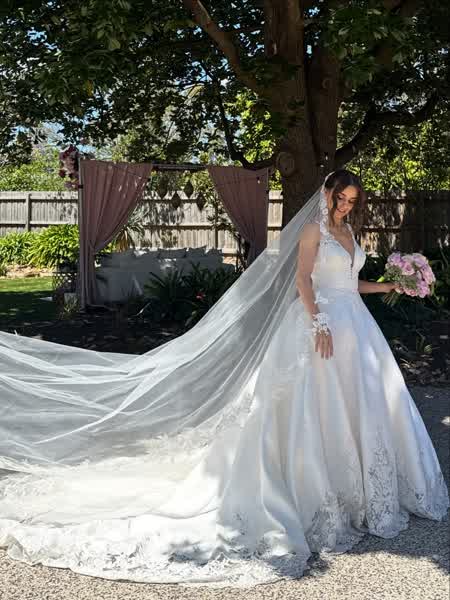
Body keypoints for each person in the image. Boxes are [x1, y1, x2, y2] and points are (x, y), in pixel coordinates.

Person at [0, 170, 448, 588]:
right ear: (327, 195)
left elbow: (350, 284)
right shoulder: (314, 230)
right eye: (341, 199)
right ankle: (313, 494)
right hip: (321, 327)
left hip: (357, 328)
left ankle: (365, 494)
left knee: (365, 403)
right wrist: (319, 323)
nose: (346, 206)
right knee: (311, 409)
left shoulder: (349, 232)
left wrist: (389, 286)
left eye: (352, 201)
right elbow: (302, 280)